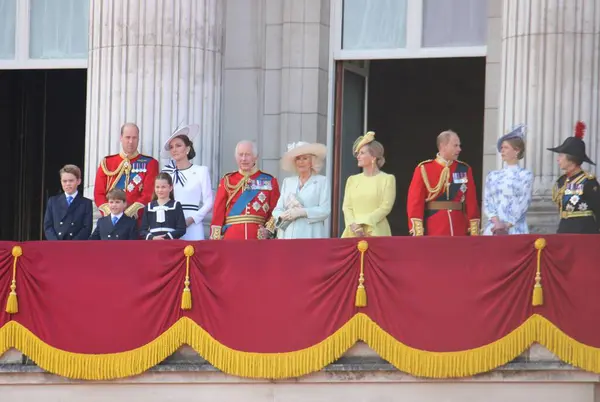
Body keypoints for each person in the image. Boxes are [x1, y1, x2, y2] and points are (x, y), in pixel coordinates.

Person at [407, 130, 480, 236]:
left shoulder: (464, 169)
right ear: (443, 146)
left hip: (459, 228)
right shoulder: (424, 168)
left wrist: (474, 230)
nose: (459, 149)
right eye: (455, 145)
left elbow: (471, 201)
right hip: (434, 228)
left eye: (459, 146)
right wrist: (418, 232)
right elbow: (415, 202)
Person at [210, 140, 280, 240]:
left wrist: (268, 231)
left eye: (248, 155)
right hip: (232, 237)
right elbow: (218, 212)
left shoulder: (269, 180)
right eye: (240, 155)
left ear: (256, 157)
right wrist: (215, 240)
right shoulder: (227, 180)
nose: (243, 159)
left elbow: (276, 210)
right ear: (236, 157)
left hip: (258, 238)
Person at [94, 123, 159, 224]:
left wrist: (127, 215)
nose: (131, 141)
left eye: (134, 138)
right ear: (121, 138)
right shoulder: (107, 163)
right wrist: (111, 214)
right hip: (111, 221)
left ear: (138, 139)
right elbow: (99, 194)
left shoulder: (150, 163)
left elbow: (148, 195)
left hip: (136, 222)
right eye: (127, 137)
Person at [161, 124, 214, 240]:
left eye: (178, 146)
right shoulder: (165, 173)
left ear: (188, 149)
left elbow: (209, 202)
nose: (174, 149)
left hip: (193, 224)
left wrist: (192, 219)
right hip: (170, 224)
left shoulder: (201, 171)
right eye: (171, 147)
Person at [341, 132, 396, 238]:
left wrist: (363, 222)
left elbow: (385, 207)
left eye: (362, 153)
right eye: (358, 153)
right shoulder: (352, 180)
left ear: (373, 157)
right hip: (352, 232)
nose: (358, 156)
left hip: (376, 231)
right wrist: (353, 225)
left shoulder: (387, 179)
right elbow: (347, 207)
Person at [549, 121, 600, 234]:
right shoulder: (561, 181)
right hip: (564, 230)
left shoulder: (588, 181)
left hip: (585, 232)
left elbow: (598, 208)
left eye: (561, 156)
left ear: (571, 159)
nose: (558, 159)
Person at [272, 141, 330, 239]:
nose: (301, 162)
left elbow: (325, 210)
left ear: (312, 161)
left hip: (310, 234)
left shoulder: (322, 181)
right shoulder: (288, 182)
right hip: (287, 235)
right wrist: (283, 215)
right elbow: (277, 209)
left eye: (305, 158)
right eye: (298, 159)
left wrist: (302, 212)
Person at [483, 124, 534, 235]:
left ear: (516, 151)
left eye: (506, 148)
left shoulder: (525, 175)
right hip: (493, 228)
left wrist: (507, 225)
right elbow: (487, 202)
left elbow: (524, 202)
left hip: (515, 228)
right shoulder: (492, 175)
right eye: (501, 148)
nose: (502, 151)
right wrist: (497, 223)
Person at [43, 164, 93, 240]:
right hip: (56, 245)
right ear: (61, 182)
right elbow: (48, 226)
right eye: (64, 181)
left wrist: (72, 245)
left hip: (76, 246)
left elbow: (87, 228)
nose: (67, 184)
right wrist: (55, 243)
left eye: (71, 181)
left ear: (78, 181)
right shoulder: (53, 201)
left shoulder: (86, 203)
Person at [140, 173, 187, 240]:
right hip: (153, 244)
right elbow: (142, 231)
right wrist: (153, 237)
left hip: (171, 244)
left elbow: (182, 229)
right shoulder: (149, 207)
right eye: (157, 187)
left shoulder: (176, 205)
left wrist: (166, 237)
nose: (160, 190)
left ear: (170, 188)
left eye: (163, 187)